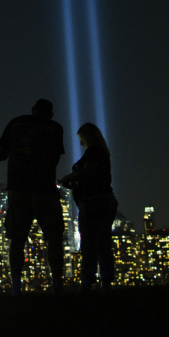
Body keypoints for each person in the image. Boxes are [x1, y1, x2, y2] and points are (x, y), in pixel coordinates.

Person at [0, 98, 66, 296]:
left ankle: (16, 288)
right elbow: (54, 161)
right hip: (45, 190)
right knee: (54, 240)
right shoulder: (55, 128)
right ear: (50, 114)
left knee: (17, 240)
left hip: (19, 189)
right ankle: (57, 286)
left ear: (33, 109)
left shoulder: (16, 123)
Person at [60, 122, 118, 292]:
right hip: (104, 200)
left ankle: (88, 281)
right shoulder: (102, 153)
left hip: (94, 202)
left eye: (81, 139)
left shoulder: (93, 152)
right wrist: (74, 183)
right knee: (103, 243)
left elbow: (89, 173)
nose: (80, 143)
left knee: (89, 243)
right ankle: (106, 281)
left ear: (87, 136)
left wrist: (69, 177)